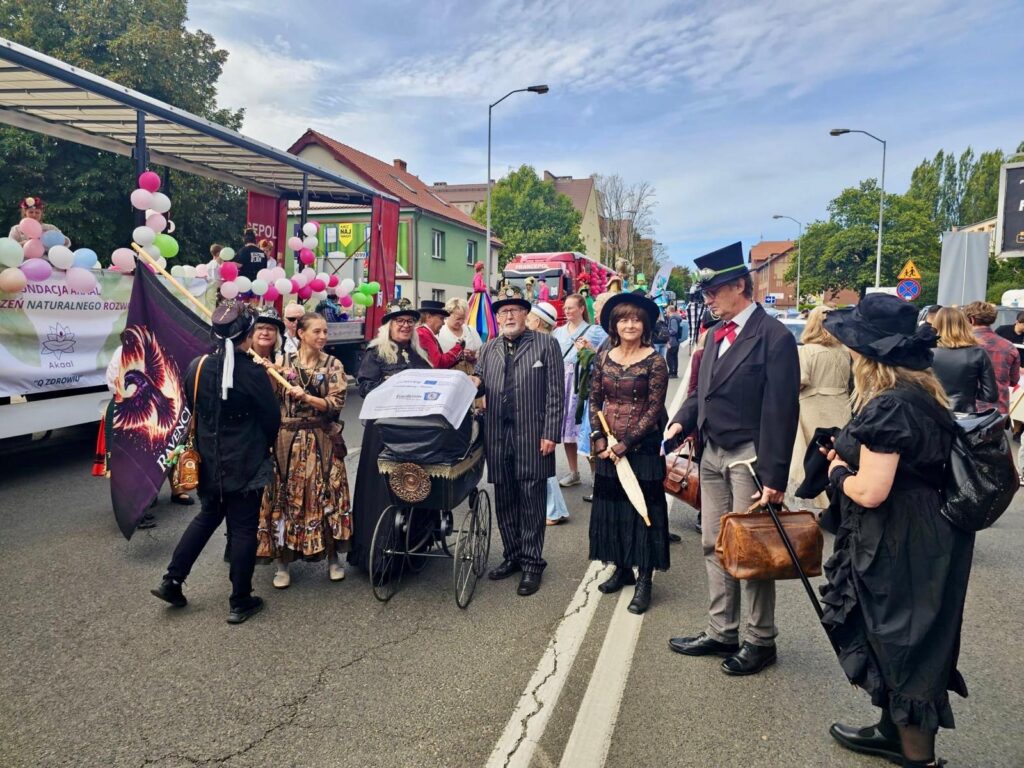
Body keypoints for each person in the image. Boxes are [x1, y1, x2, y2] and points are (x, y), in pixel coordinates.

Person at [820, 294, 972, 768]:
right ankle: (892, 733)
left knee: (904, 636)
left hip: (901, 534)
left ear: (868, 355)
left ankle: (916, 757)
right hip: (925, 529)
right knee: (901, 633)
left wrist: (838, 473)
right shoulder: (921, 394)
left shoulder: (889, 406)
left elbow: (871, 491)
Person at [665, 242, 799, 676]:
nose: (707, 299)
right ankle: (722, 630)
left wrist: (774, 477)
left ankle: (760, 640)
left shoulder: (774, 337)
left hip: (749, 459)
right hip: (711, 454)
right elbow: (700, 394)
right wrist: (680, 422)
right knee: (713, 543)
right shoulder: (713, 334)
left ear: (740, 286)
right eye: (705, 293)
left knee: (751, 549)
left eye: (714, 291)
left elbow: (781, 412)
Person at [151, 305, 280, 624]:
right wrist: (262, 445)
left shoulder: (197, 366)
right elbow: (271, 419)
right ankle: (240, 600)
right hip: (247, 459)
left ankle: (172, 580)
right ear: (247, 336)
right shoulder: (253, 372)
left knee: (207, 517)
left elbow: (191, 403)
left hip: (209, 457)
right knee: (244, 528)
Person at [470, 295, 563, 596]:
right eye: (503, 312)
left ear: (525, 314)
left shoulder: (546, 344)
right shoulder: (489, 348)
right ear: (497, 319)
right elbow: (481, 382)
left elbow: (556, 393)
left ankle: (532, 563)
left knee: (532, 499)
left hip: (533, 434)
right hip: (497, 434)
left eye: (514, 311)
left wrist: (551, 433)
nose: (508, 316)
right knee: (505, 498)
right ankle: (512, 555)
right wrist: (471, 383)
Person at [589, 292, 670, 614]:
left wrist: (627, 443)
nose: (630, 325)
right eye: (624, 319)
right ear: (614, 325)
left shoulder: (655, 361)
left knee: (642, 511)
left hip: (642, 448)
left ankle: (644, 580)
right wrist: (598, 438)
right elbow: (594, 400)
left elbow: (654, 409)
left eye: (636, 319)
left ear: (645, 325)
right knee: (614, 509)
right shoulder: (603, 357)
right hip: (609, 446)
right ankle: (622, 569)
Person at [256, 312, 351, 586]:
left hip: (321, 438)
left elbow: (335, 403)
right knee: (283, 496)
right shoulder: (282, 361)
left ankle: (333, 558)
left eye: (325, 332)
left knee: (327, 494)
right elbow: (270, 398)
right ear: (301, 334)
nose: (322, 336)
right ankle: (282, 564)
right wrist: (268, 374)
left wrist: (308, 397)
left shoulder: (333, 364)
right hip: (286, 440)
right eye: (317, 331)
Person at [348, 306, 433, 571]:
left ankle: (413, 550)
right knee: (382, 491)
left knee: (412, 486)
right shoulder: (375, 353)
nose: (405, 325)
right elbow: (366, 388)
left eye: (409, 321)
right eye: (399, 321)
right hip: (383, 432)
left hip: (415, 432)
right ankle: (381, 557)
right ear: (389, 325)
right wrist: (396, 387)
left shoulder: (418, 354)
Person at [789, 306, 852, 508]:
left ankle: (817, 498)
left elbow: (801, 380)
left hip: (813, 406)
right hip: (841, 405)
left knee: (814, 455)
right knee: (838, 451)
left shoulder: (808, 350)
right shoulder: (845, 351)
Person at [552, 293, 606, 487]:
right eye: (565, 308)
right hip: (562, 382)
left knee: (586, 430)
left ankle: (595, 475)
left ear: (582, 309)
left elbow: (607, 354)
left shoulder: (595, 331)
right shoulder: (558, 332)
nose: (566, 311)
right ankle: (574, 472)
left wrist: (591, 350)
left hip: (582, 383)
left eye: (571, 307)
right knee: (567, 429)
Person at [526, 301, 571, 526]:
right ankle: (555, 509)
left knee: (542, 463)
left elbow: (554, 387)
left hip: (541, 412)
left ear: (537, 322)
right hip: (537, 411)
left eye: (529, 318)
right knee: (542, 464)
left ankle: (553, 511)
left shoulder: (547, 344)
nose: (526, 322)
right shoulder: (536, 342)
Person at [930, 307, 998, 413]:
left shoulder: (926, 352)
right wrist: (968, 393)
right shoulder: (978, 352)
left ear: (936, 324)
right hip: (964, 413)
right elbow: (991, 395)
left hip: (931, 412)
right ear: (964, 324)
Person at [962, 301, 1020, 415]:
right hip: (998, 412)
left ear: (971, 320)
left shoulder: (960, 344)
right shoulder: (1009, 347)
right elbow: (1013, 381)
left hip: (966, 411)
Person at [438, 296, 483, 374]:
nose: (461, 322)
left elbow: (481, 354)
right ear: (448, 315)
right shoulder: (439, 331)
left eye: (463, 318)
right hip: (448, 376)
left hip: (470, 375)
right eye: (458, 319)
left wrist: (472, 356)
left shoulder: (470, 330)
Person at [416, 300, 465, 369]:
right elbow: (438, 364)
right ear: (428, 317)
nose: (443, 323)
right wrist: (457, 348)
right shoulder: (423, 334)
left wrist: (458, 356)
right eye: (441, 318)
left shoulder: (424, 332)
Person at [466, 260, 496, 343]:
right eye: (483, 269)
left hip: (481, 296)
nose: (484, 271)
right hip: (479, 297)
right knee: (481, 311)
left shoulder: (478, 276)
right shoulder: (478, 276)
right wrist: (485, 289)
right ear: (481, 269)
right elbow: (477, 288)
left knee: (484, 312)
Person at [665, 304, 684, 377]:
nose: (666, 313)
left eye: (667, 311)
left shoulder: (673, 319)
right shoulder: (677, 317)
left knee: (669, 357)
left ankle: (672, 372)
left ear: (669, 311)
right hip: (676, 340)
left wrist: (667, 331)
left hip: (673, 340)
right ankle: (674, 372)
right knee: (674, 357)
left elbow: (674, 330)